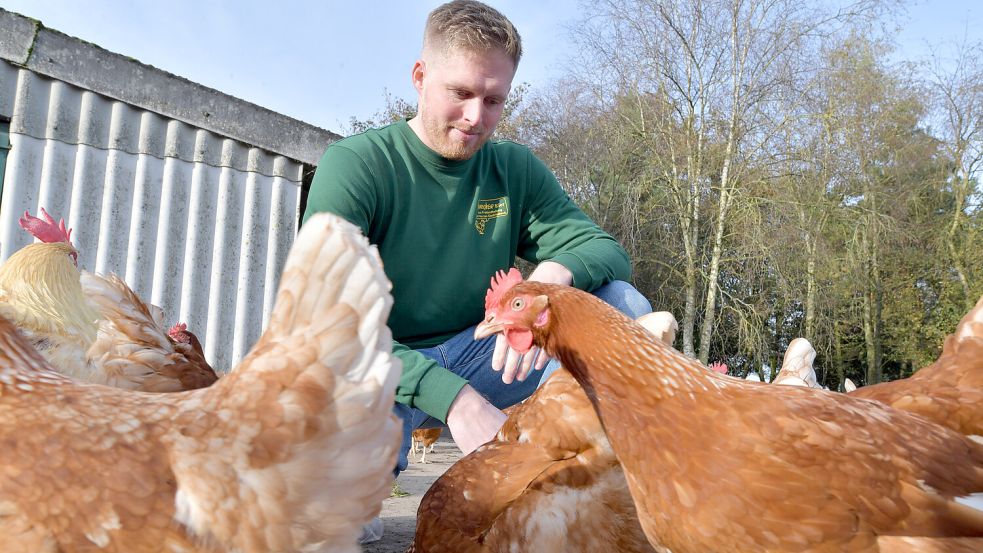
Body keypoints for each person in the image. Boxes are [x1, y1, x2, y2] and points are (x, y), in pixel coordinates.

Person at [303, 0, 651, 483]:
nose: (475, 117)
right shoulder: (358, 166)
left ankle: (588, 478)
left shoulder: (513, 168)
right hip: (383, 369)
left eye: (493, 100)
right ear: (420, 76)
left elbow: (607, 251)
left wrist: (551, 279)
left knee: (620, 302)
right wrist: (457, 401)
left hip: (482, 351)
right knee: (334, 517)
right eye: (461, 92)